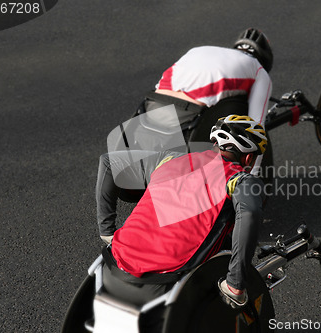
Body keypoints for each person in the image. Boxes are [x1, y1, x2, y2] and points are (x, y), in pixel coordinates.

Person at [96, 28, 274, 243]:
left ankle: (106, 231)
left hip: (153, 109)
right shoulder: (259, 71)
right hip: (191, 119)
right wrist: (249, 181)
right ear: (263, 58)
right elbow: (257, 125)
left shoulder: (199, 50)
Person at [100, 115, 267, 329]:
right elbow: (251, 213)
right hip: (164, 279)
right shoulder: (239, 180)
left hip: (115, 261)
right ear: (248, 159)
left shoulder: (171, 159)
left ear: (214, 143)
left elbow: (108, 162)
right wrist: (235, 283)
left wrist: (108, 232)